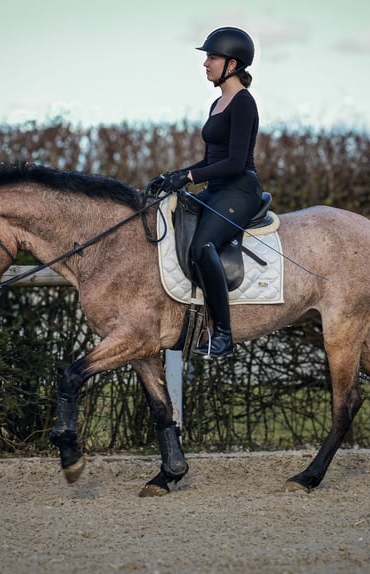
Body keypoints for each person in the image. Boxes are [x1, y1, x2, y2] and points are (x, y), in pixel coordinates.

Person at [156, 27, 264, 359]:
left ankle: (224, 335)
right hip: (216, 189)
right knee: (168, 215)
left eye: (212, 57)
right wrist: (175, 176)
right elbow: (211, 159)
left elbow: (233, 162)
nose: (206, 64)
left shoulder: (244, 104)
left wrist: (189, 175)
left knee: (203, 246)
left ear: (232, 64)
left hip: (240, 190)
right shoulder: (217, 103)